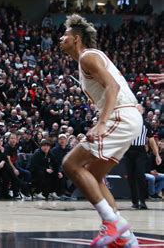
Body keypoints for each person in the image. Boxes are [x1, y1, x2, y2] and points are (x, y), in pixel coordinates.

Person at [60, 14, 142, 247]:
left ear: (76, 39)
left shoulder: (87, 57)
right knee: (94, 175)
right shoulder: (87, 59)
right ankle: (126, 239)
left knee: (70, 164)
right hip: (128, 116)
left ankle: (111, 222)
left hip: (120, 116)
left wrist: (102, 122)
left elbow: (113, 86)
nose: (60, 38)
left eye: (64, 35)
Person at [123, 105, 161, 210]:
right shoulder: (127, 123)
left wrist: (157, 154)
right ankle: (135, 202)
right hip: (128, 151)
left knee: (140, 176)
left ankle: (143, 201)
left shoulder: (146, 125)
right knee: (130, 178)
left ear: (142, 111)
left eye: (138, 109)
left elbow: (151, 140)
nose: (136, 111)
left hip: (140, 151)